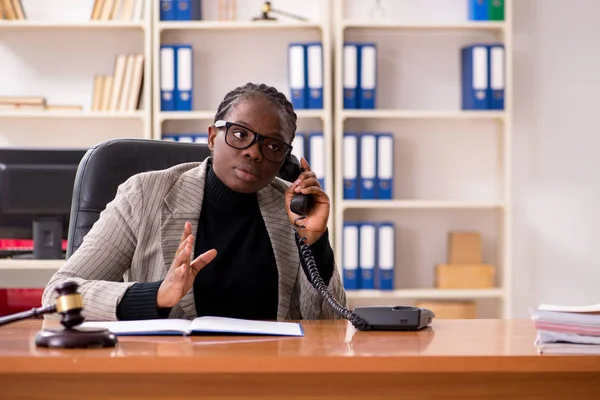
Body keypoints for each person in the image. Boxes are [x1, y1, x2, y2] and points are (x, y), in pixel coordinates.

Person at [42, 82, 347, 322]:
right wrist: (156, 296)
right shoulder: (144, 195)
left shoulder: (291, 209)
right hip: (168, 373)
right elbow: (57, 295)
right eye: (240, 134)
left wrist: (315, 243)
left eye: (273, 146)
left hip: (269, 373)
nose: (254, 153)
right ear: (213, 137)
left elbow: (330, 324)